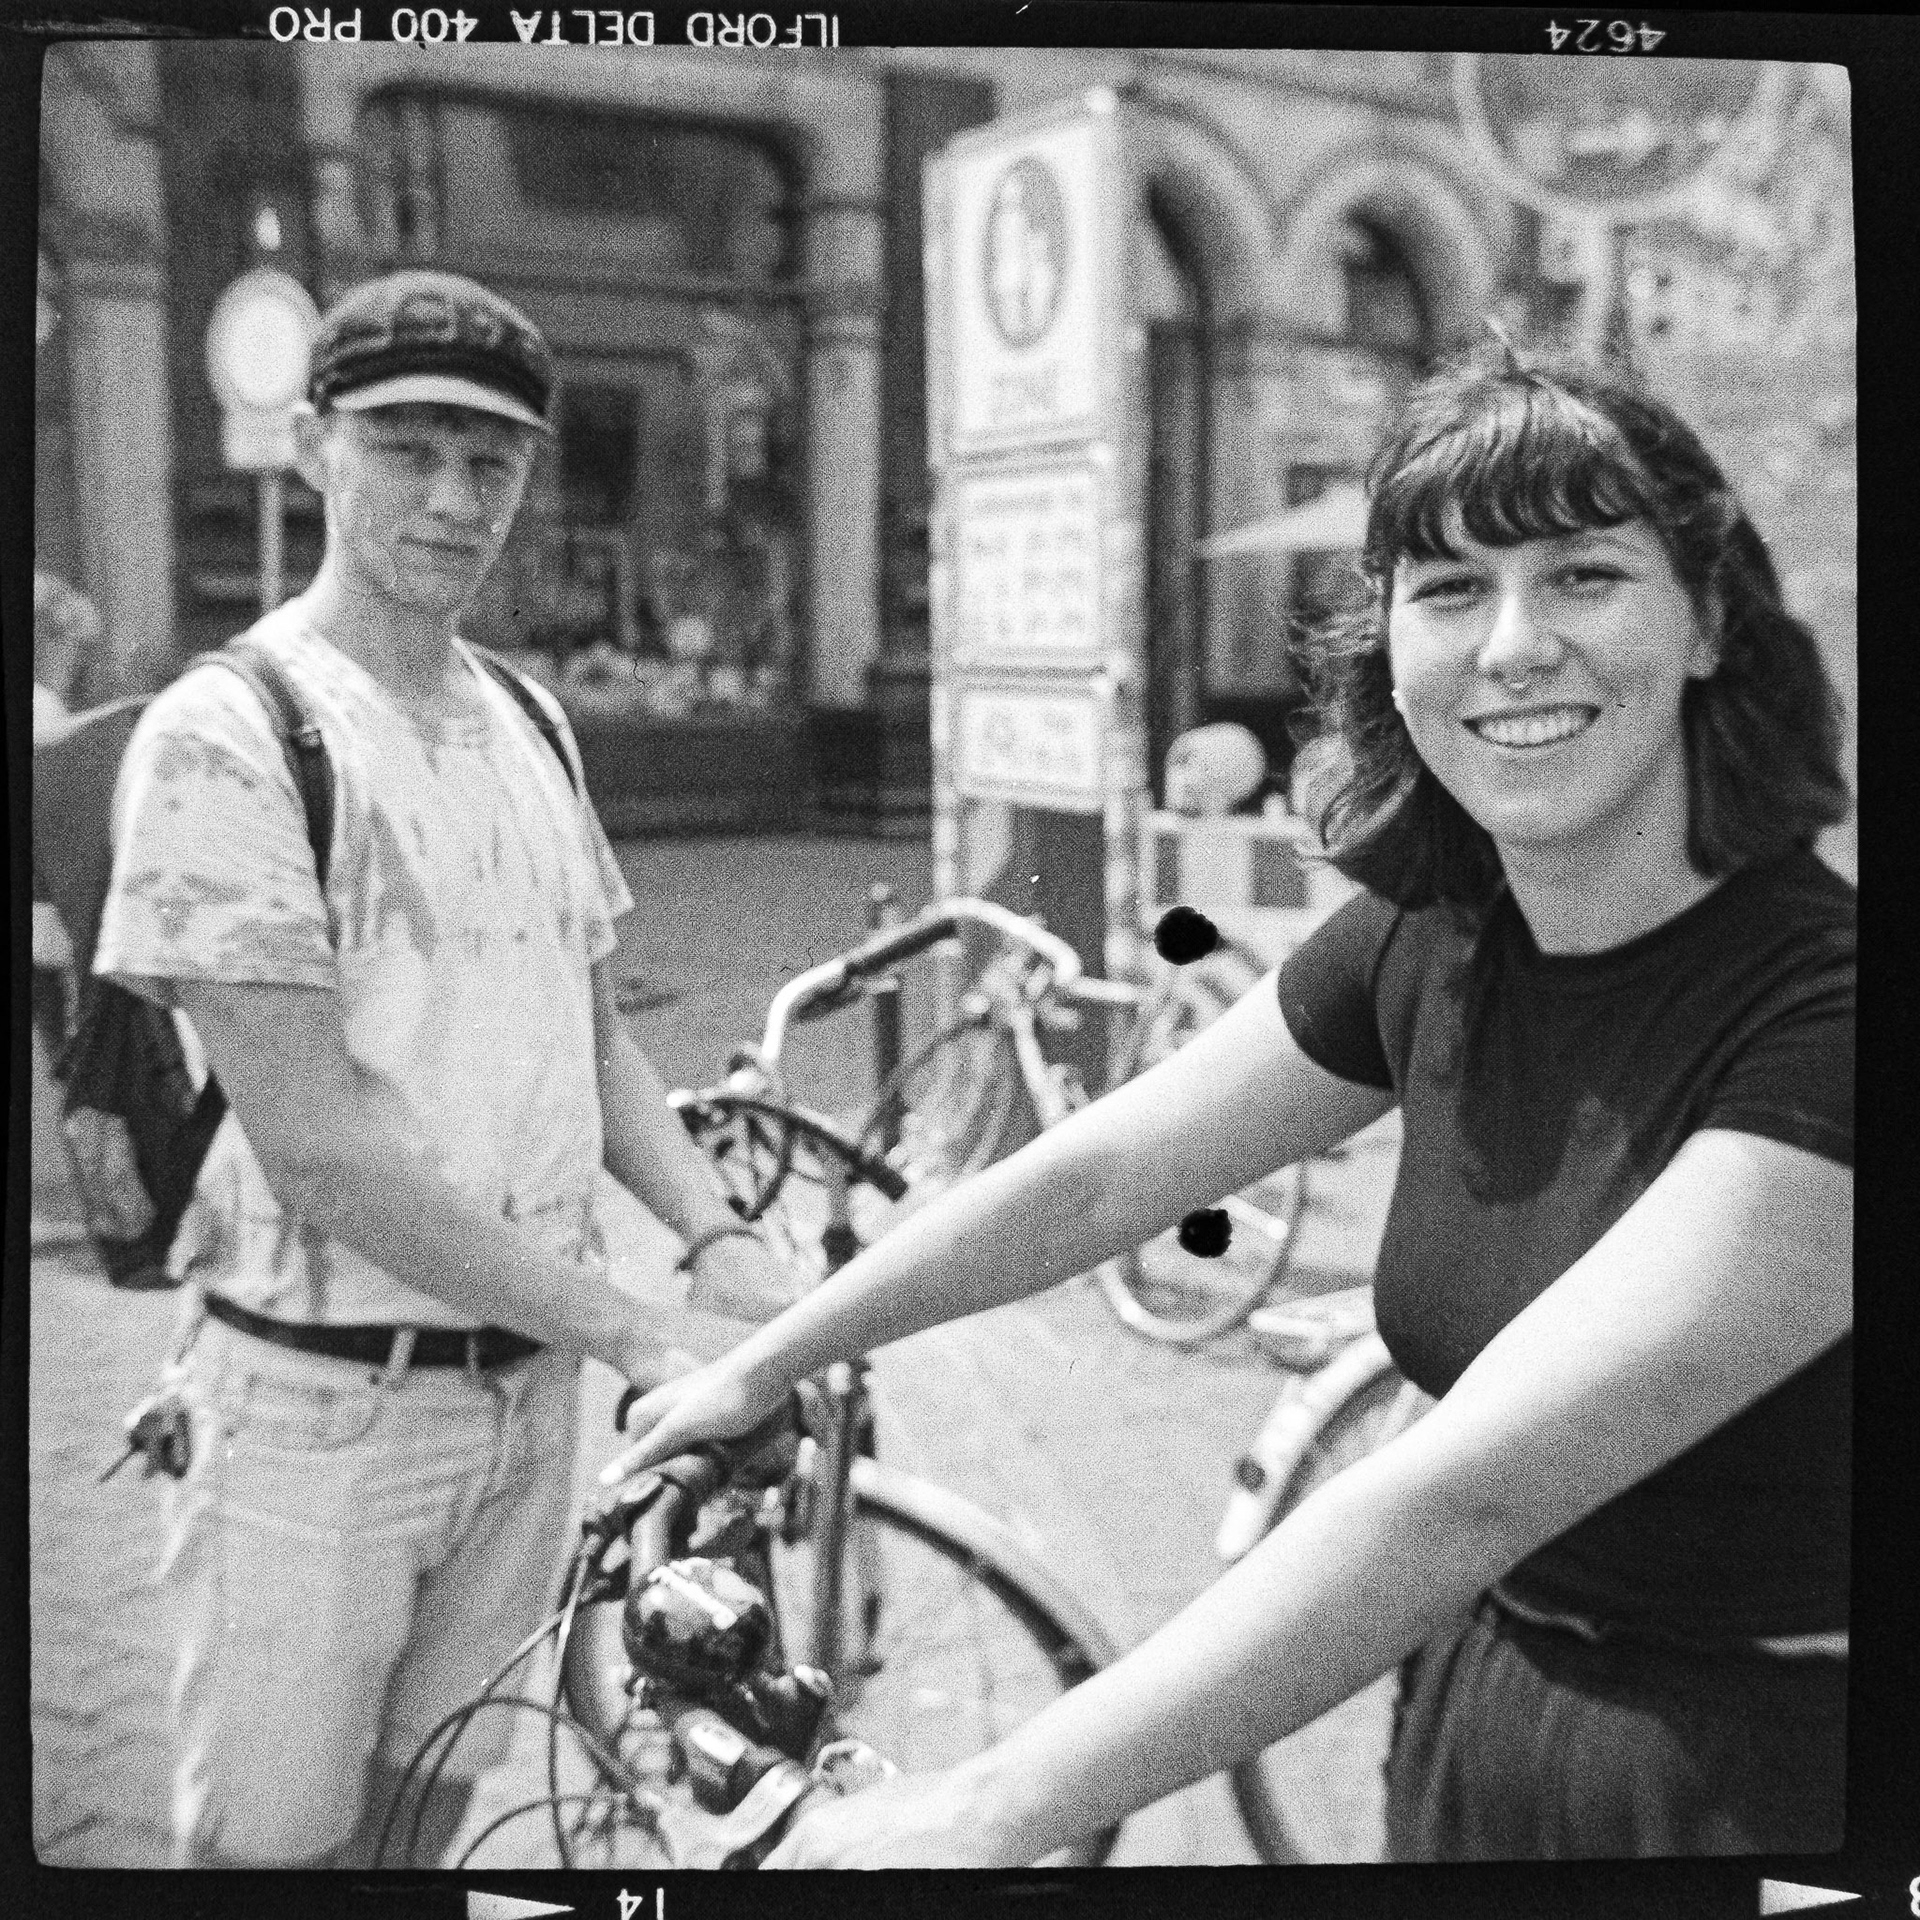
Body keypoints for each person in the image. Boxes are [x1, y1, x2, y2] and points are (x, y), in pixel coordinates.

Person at [605, 343, 1854, 1864]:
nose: (1514, 644)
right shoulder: (1440, 932)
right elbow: (1103, 1172)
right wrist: (774, 1357)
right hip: (1480, 1710)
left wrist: (976, 1814)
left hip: (1762, 1777)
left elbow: (1453, 1504)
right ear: (1388, 649)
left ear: (1710, 620)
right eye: (1450, 591)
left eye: (1584, 578)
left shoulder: (1826, 1022)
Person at [91, 269, 797, 1869]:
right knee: (272, 1856)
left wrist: (718, 1233)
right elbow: (320, 1153)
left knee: (430, 1835)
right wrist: (638, 1324)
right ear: (311, 444)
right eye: (408, 449)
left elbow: (591, 1024)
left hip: (526, 1403)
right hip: (318, 1410)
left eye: (493, 463)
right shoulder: (232, 735)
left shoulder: (530, 718)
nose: (454, 497)